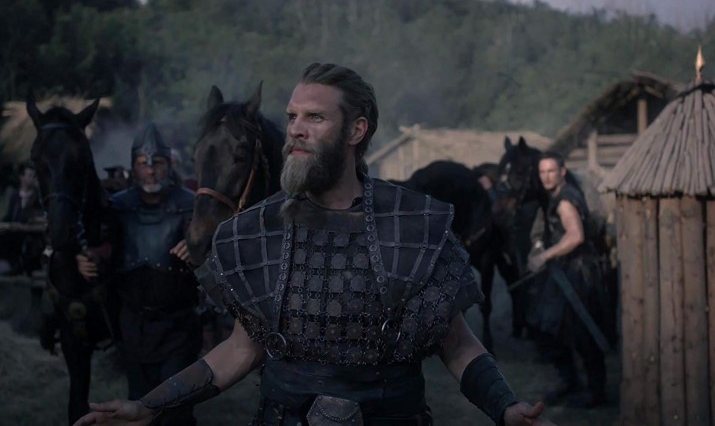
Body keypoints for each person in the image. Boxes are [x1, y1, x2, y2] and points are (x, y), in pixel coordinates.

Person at [73, 63, 555, 426]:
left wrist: (505, 406)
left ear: (356, 130)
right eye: (292, 116)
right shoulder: (256, 230)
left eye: (315, 117)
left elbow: (457, 343)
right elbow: (239, 350)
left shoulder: (413, 224)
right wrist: (150, 406)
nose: (295, 130)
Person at [76, 123, 202, 425]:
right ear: (133, 167)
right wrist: (87, 260)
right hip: (133, 325)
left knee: (175, 410)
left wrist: (198, 247)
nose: (150, 171)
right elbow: (103, 247)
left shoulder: (191, 204)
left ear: (168, 164)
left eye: (157, 162)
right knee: (139, 406)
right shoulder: (119, 206)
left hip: (178, 326)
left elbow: (213, 250)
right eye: (143, 163)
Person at [526, 152, 606, 409]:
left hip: (579, 272)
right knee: (552, 329)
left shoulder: (565, 200)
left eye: (551, 171)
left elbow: (575, 236)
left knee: (582, 333)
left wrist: (544, 256)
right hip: (565, 271)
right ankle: (570, 381)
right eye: (542, 172)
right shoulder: (556, 197)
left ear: (562, 171)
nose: (546, 177)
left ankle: (596, 391)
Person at [0, 161, 44, 275]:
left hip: (29, 233)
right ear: (22, 177)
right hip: (13, 232)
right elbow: (9, 215)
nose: (32, 179)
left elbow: (38, 216)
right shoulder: (15, 196)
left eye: (34, 176)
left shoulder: (38, 197)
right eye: (29, 175)